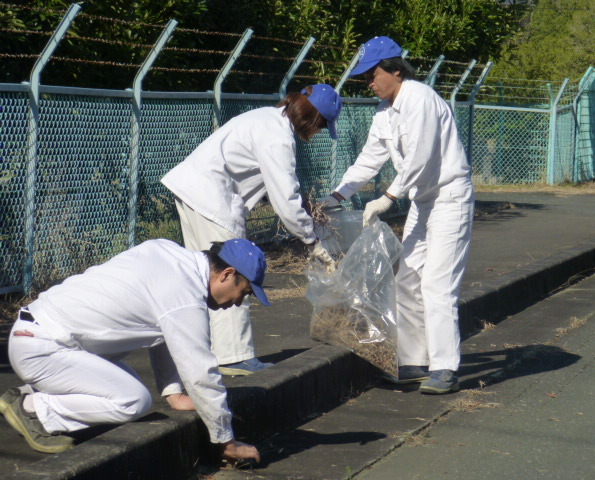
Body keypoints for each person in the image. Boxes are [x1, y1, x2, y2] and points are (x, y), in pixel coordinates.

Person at [0, 238, 267, 461]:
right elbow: (200, 372)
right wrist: (227, 442)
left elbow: (167, 333)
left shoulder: (169, 254)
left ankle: (35, 394)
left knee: (127, 386)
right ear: (227, 274)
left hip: (40, 335)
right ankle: (35, 407)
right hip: (43, 347)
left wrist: (173, 393)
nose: (237, 302)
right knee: (132, 400)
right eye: (244, 292)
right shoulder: (184, 294)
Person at [321, 37, 474, 394]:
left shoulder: (419, 99)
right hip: (424, 201)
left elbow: (420, 157)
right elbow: (369, 160)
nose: (368, 83)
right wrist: (338, 195)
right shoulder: (385, 111)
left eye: (372, 75)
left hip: (450, 197)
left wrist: (389, 197)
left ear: (394, 69)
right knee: (407, 279)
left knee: (437, 283)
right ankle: (414, 361)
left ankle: (445, 368)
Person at [161, 84, 342, 376]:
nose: (318, 132)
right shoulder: (278, 138)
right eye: (321, 126)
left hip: (192, 192)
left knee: (202, 277)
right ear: (313, 118)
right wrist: (312, 240)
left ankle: (200, 352)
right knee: (233, 274)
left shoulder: (265, 118)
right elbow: (286, 198)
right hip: (212, 199)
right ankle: (234, 356)